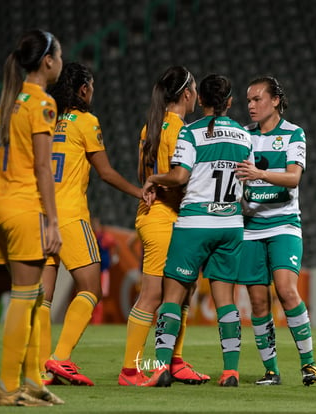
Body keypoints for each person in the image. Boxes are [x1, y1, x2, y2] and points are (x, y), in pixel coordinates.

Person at [140, 74, 254, 387]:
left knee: (173, 298)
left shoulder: (190, 132)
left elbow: (179, 176)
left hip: (195, 223)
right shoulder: (245, 136)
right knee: (226, 301)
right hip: (230, 224)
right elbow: (249, 181)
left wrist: (154, 179)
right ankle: (231, 371)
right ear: (229, 102)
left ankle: (161, 368)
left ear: (200, 100)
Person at [37, 62, 143, 386]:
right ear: (83, 89)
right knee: (91, 288)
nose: (93, 92)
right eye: (92, 86)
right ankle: (60, 357)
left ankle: (41, 369)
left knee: (43, 296)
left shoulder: (46, 119)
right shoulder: (85, 121)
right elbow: (106, 172)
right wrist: (139, 191)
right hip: (69, 214)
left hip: (39, 214)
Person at [0, 29, 64, 406]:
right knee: (24, 298)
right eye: (60, 55)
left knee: (32, 297)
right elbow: (43, 169)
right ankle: (7, 387)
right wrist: (51, 221)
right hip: (23, 209)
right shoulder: (42, 104)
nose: (61, 62)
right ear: (48, 61)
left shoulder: (10, 102)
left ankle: (32, 379)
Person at [118, 66, 210, 387]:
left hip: (156, 214)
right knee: (153, 295)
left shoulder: (150, 128)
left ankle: (174, 362)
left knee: (182, 292)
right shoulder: (181, 130)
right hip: (164, 217)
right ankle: (130, 370)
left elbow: (144, 176)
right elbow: (176, 178)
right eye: (195, 89)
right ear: (186, 94)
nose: (197, 95)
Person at [235, 76, 316, 386]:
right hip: (249, 228)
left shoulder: (293, 134)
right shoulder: (244, 136)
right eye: (248, 100)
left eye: (257, 99)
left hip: (284, 224)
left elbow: (293, 178)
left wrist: (258, 173)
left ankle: (309, 365)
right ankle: (271, 371)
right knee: (258, 303)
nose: (251, 106)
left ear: (275, 101)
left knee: (286, 291)